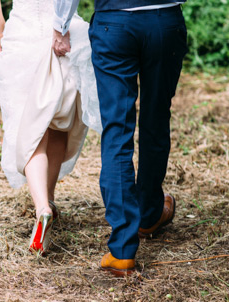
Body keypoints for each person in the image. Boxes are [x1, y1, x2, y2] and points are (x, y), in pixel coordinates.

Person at [53, 0, 188, 275]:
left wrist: (60, 24)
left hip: (114, 23)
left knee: (117, 129)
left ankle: (123, 249)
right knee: (156, 120)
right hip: (164, 20)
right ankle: (149, 214)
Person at [0, 0, 102, 253]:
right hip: (63, 32)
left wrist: (0, 28)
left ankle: (42, 209)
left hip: (23, 33)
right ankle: (48, 199)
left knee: (29, 128)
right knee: (58, 122)